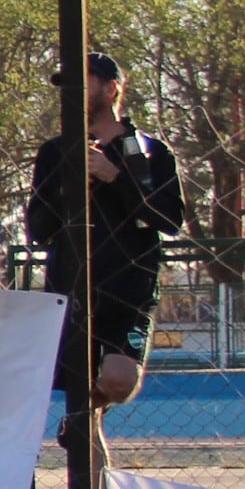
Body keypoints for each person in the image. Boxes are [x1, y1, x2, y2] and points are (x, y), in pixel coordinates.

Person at [23, 50, 185, 415]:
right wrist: (69, 186)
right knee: (74, 392)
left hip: (129, 291)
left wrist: (116, 178)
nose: (71, 93)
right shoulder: (54, 151)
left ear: (112, 89)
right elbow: (38, 229)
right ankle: (85, 437)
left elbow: (170, 219)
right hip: (72, 289)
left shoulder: (151, 152)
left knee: (117, 379)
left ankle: (86, 421)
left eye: (82, 83)